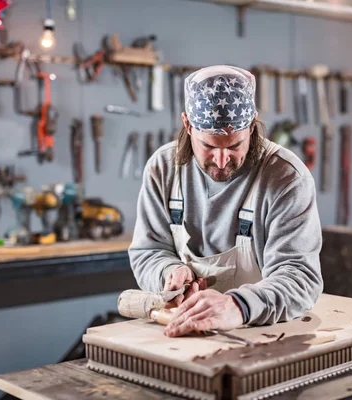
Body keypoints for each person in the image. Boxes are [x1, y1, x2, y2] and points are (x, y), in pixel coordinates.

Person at [128, 65, 323, 337]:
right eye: (208, 146)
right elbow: (147, 252)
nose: (221, 161)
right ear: (187, 124)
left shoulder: (287, 178)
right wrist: (168, 271)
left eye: (234, 146)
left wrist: (238, 306)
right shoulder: (164, 168)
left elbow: (299, 278)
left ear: (252, 126)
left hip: (266, 334)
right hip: (185, 332)